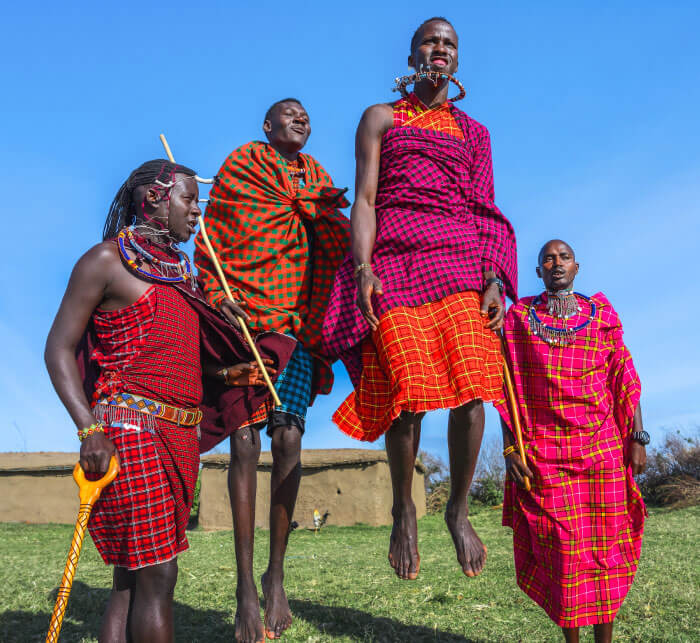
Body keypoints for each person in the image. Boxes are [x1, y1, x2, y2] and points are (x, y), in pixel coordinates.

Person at [44, 159, 294, 643]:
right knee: (159, 576)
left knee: (130, 582)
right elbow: (57, 347)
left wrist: (231, 359)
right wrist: (87, 429)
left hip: (180, 437)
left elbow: (178, 358)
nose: (197, 212)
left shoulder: (185, 276)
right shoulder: (105, 262)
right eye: (189, 200)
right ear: (155, 198)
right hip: (129, 432)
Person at [322, 17, 517, 581]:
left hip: (459, 262)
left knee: (475, 384)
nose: (440, 49)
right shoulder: (380, 117)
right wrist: (361, 269)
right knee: (406, 388)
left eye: (449, 43)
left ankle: (457, 506)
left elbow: (485, 208)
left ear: (457, 59)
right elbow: (363, 198)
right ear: (412, 55)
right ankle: (404, 504)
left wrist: (495, 278)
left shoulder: (474, 132)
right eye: (431, 41)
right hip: (396, 261)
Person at [194, 99, 349, 641]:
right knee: (243, 445)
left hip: (294, 325)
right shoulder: (241, 168)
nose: (302, 119)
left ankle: (275, 574)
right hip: (242, 322)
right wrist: (219, 296)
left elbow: (336, 242)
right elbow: (210, 246)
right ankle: (243, 590)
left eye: (307, 114)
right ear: (266, 126)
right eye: (289, 113)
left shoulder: (318, 178)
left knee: (288, 441)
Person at [497, 239, 647, 643]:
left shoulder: (601, 314)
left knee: (604, 556)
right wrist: (511, 448)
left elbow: (624, 377)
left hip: (602, 452)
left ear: (576, 267)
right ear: (538, 272)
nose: (556, 263)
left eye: (564, 257)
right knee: (563, 553)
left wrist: (638, 436)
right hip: (545, 454)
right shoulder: (519, 318)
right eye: (548, 258)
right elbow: (504, 386)